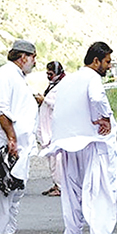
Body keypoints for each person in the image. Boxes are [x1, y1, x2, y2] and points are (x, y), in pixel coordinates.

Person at [44, 42, 117, 234]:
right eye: (106, 62)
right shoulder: (92, 78)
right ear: (96, 60)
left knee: (72, 195)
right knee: (99, 191)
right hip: (91, 143)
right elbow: (96, 98)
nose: (108, 67)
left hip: (68, 145)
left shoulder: (69, 80)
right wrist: (105, 116)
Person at [0, 39, 39, 234]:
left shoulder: (17, 77)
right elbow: (1, 109)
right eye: (33, 58)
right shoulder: (6, 75)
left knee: (16, 190)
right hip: (5, 147)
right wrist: (11, 137)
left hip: (18, 148)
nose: (34, 62)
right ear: (23, 57)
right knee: (2, 191)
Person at [38, 61, 66, 197]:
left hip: (55, 128)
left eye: (51, 73)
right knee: (51, 158)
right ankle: (56, 183)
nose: (48, 76)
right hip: (47, 126)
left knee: (57, 159)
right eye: (47, 74)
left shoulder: (63, 85)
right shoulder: (53, 85)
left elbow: (61, 104)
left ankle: (60, 186)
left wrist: (44, 100)